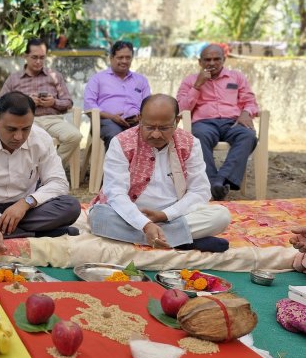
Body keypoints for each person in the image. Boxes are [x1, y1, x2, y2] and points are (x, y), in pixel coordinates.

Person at [88, 94, 231, 253]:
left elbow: (200, 191)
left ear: (176, 122)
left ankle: (156, 237)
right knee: (98, 217)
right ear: (140, 118)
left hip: (173, 216)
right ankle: (183, 241)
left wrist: (164, 215)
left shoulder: (190, 143)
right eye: (149, 127)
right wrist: (144, 224)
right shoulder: (121, 143)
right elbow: (115, 193)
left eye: (163, 128)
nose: (156, 134)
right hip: (129, 215)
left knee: (221, 215)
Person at [0, 92, 82, 253]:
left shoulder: (41, 138)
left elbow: (58, 182)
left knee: (71, 206)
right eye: (11, 129)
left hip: (27, 209)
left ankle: (9, 232)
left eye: (26, 129)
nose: (19, 137)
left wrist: (26, 203)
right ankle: (42, 234)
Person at [177, 43, 259, 201]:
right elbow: (181, 108)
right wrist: (198, 85)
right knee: (198, 137)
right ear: (200, 62)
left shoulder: (237, 77)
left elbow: (250, 100)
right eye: (207, 59)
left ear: (224, 59)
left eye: (216, 59)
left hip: (233, 122)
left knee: (248, 135)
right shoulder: (190, 81)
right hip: (205, 123)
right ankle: (215, 183)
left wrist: (246, 112)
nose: (212, 63)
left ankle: (218, 181)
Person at [0, 38, 82, 166]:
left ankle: (50, 169)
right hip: (27, 122)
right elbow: (3, 104)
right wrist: (27, 102)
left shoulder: (54, 76)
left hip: (53, 119)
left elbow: (68, 102)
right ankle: (30, 173)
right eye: (34, 57)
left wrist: (53, 102)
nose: (38, 62)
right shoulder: (14, 79)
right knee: (29, 139)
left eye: (42, 58)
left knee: (74, 136)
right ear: (25, 56)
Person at [83, 40, 151, 150]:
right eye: (120, 57)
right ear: (111, 58)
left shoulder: (141, 80)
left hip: (136, 122)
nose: (124, 61)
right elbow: (89, 105)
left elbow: (149, 103)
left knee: (152, 134)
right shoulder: (98, 79)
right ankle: (116, 167)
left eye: (128, 58)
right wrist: (112, 117)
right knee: (116, 137)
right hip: (106, 121)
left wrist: (141, 116)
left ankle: (141, 166)